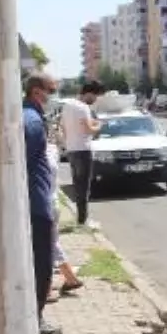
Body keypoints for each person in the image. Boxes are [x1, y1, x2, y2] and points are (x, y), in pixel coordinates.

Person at [23, 72, 62, 334]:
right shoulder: (33, 120)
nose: (52, 95)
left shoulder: (29, 116)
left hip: (33, 199)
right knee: (42, 263)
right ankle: (35, 318)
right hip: (36, 203)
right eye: (51, 90)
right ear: (37, 91)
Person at [61, 81, 104, 226]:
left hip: (71, 150)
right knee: (84, 187)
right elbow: (88, 129)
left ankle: (80, 218)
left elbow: (63, 128)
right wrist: (99, 125)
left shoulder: (67, 106)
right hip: (83, 150)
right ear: (89, 93)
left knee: (77, 185)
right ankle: (83, 220)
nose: (96, 99)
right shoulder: (83, 107)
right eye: (96, 96)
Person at [46, 144, 82, 302]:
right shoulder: (52, 150)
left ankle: (46, 288)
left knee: (44, 247)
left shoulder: (32, 154)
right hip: (53, 203)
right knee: (52, 243)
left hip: (43, 204)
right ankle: (70, 278)